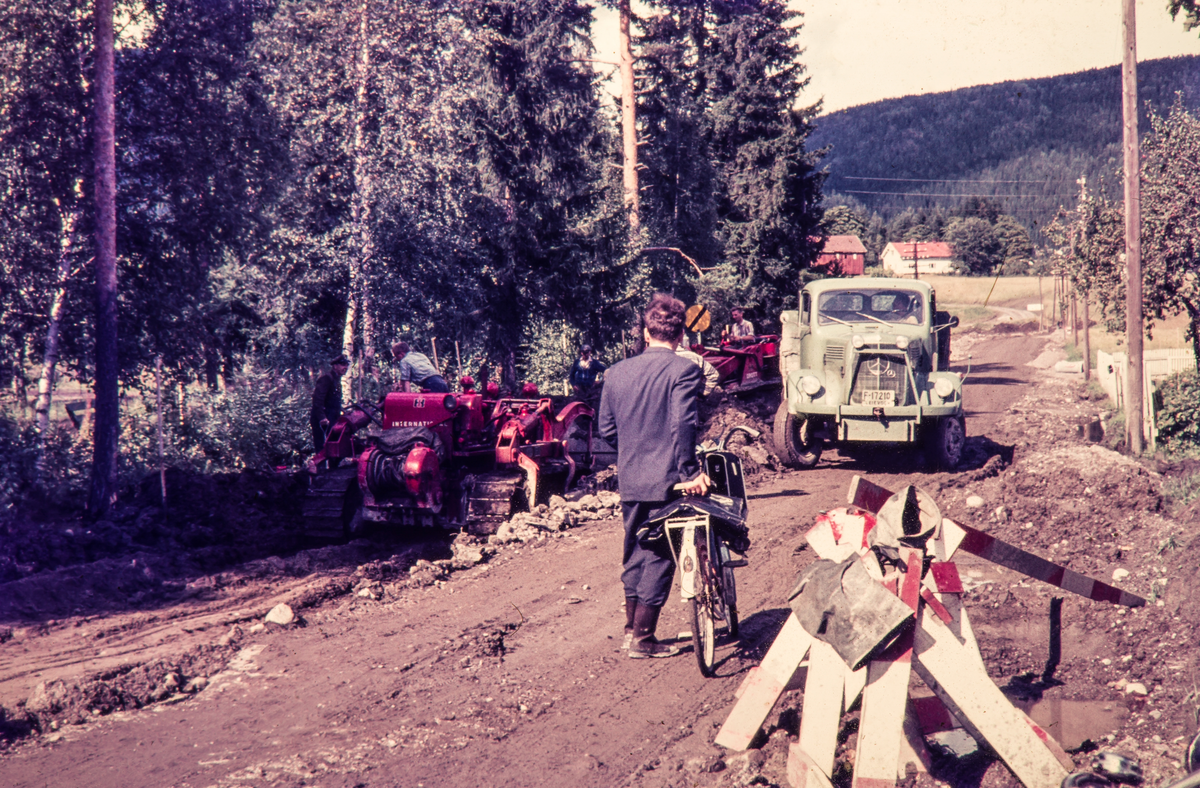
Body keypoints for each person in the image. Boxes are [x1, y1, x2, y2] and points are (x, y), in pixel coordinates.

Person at [599, 293, 712, 659]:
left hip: (631, 479)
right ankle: (644, 640)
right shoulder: (685, 370)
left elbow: (606, 430)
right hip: (670, 480)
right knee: (662, 554)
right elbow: (683, 424)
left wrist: (636, 450)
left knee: (633, 551)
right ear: (680, 336)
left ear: (646, 333)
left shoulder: (616, 373)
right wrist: (690, 471)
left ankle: (631, 629)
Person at [311, 354, 350, 457]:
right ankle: (320, 470)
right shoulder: (326, 379)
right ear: (335, 366)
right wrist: (322, 417)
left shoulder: (336, 380)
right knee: (321, 446)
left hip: (331, 417)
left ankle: (331, 470)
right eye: (342, 365)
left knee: (333, 444)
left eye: (346, 365)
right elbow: (318, 400)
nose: (345, 367)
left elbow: (333, 400)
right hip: (322, 419)